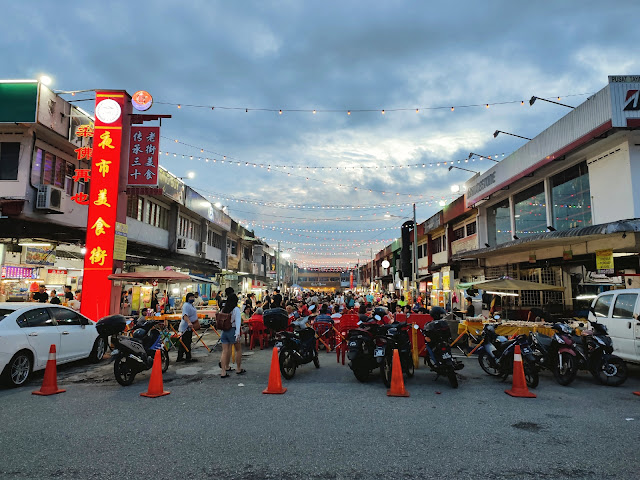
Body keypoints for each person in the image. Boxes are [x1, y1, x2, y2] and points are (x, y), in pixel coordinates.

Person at [219, 289, 245, 377]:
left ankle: (224, 371)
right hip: (232, 330)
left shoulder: (223, 309)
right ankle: (238, 368)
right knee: (238, 350)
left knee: (224, 351)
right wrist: (237, 334)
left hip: (224, 332)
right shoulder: (236, 309)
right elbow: (238, 322)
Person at [177, 292, 198, 363]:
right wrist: (189, 322)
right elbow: (185, 315)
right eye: (190, 297)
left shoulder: (191, 305)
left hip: (190, 326)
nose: (192, 298)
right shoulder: (186, 305)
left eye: (193, 297)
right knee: (186, 342)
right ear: (187, 298)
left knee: (185, 342)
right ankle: (187, 357)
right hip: (186, 326)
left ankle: (180, 357)